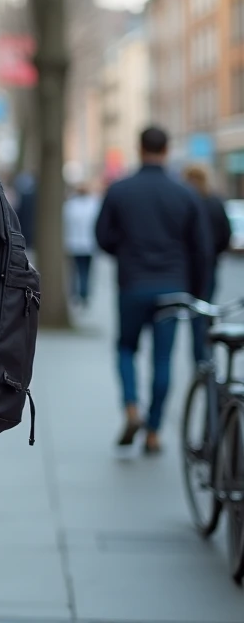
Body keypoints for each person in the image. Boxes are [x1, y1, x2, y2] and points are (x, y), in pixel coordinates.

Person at [95, 127, 212, 455]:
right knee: (163, 359)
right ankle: (154, 431)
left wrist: (127, 250)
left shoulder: (120, 190)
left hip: (132, 284)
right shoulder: (185, 193)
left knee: (126, 349)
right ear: (167, 149)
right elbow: (201, 249)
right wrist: (196, 292)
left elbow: (102, 237)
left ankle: (131, 407)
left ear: (139, 147)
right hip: (173, 288)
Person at [182, 164, 233, 364]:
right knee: (204, 314)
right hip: (208, 267)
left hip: (186, 268)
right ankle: (205, 360)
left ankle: (201, 362)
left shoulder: (185, 200)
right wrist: (213, 254)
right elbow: (225, 235)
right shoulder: (213, 202)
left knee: (194, 316)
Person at [62, 182, 100, 308]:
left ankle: (75, 294)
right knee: (85, 271)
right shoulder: (93, 205)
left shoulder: (70, 206)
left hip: (74, 243)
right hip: (88, 244)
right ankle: (84, 294)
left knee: (74, 271)